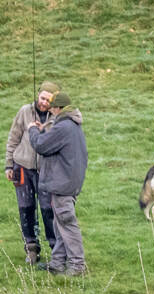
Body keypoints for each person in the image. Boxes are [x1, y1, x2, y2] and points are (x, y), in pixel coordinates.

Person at [27, 92, 88, 276]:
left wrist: (33, 130)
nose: (51, 111)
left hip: (63, 185)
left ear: (58, 108)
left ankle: (77, 266)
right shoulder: (72, 125)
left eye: (53, 108)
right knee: (60, 224)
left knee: (67, 223)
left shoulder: (63, 126)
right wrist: (44, 130)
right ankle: (57, 263)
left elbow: (41, 145)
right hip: (69, 182)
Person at [5, 81, 60, 265]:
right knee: (26, 209)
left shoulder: (58, 118)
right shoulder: (24, 111)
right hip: (22, 167)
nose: (44, 102)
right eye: (42, 98)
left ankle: (56, 251)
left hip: (47, 171)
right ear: (38, 96)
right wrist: (9, 165)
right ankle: (31, 249)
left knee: (48, 210)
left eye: (48, 100)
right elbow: (13, 138)